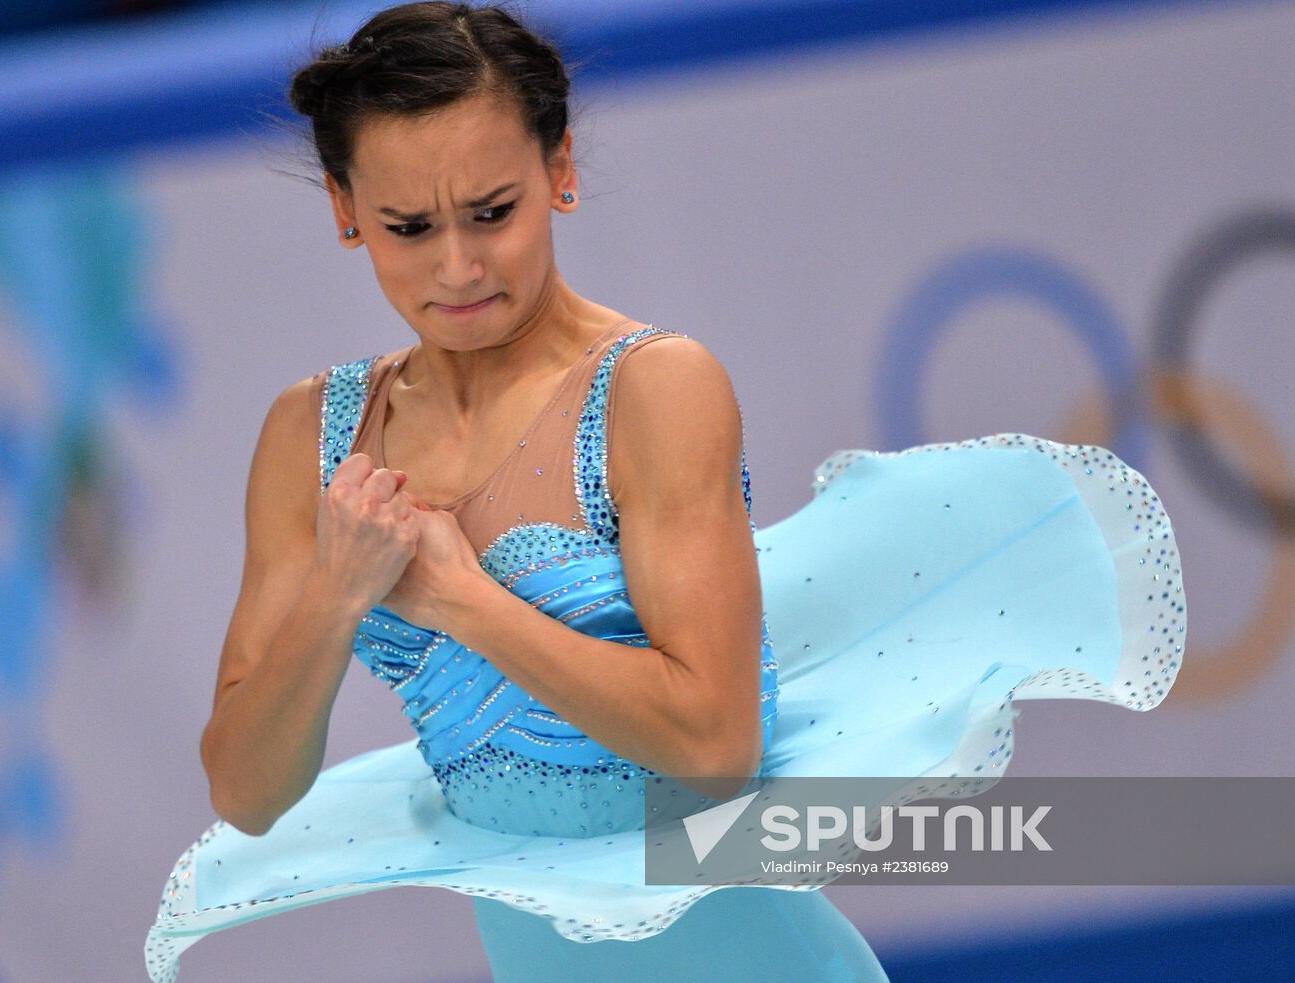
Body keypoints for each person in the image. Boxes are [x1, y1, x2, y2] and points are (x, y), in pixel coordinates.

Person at [144, 3, 1187, 980]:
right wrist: (336, 596)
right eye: (408, 227)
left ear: (559, 169)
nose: (457, 266)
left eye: (492, 212)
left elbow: (715, 749)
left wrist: (462, 602)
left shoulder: (653, 389)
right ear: (344, 211)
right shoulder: (311, 437)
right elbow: (246, 791)